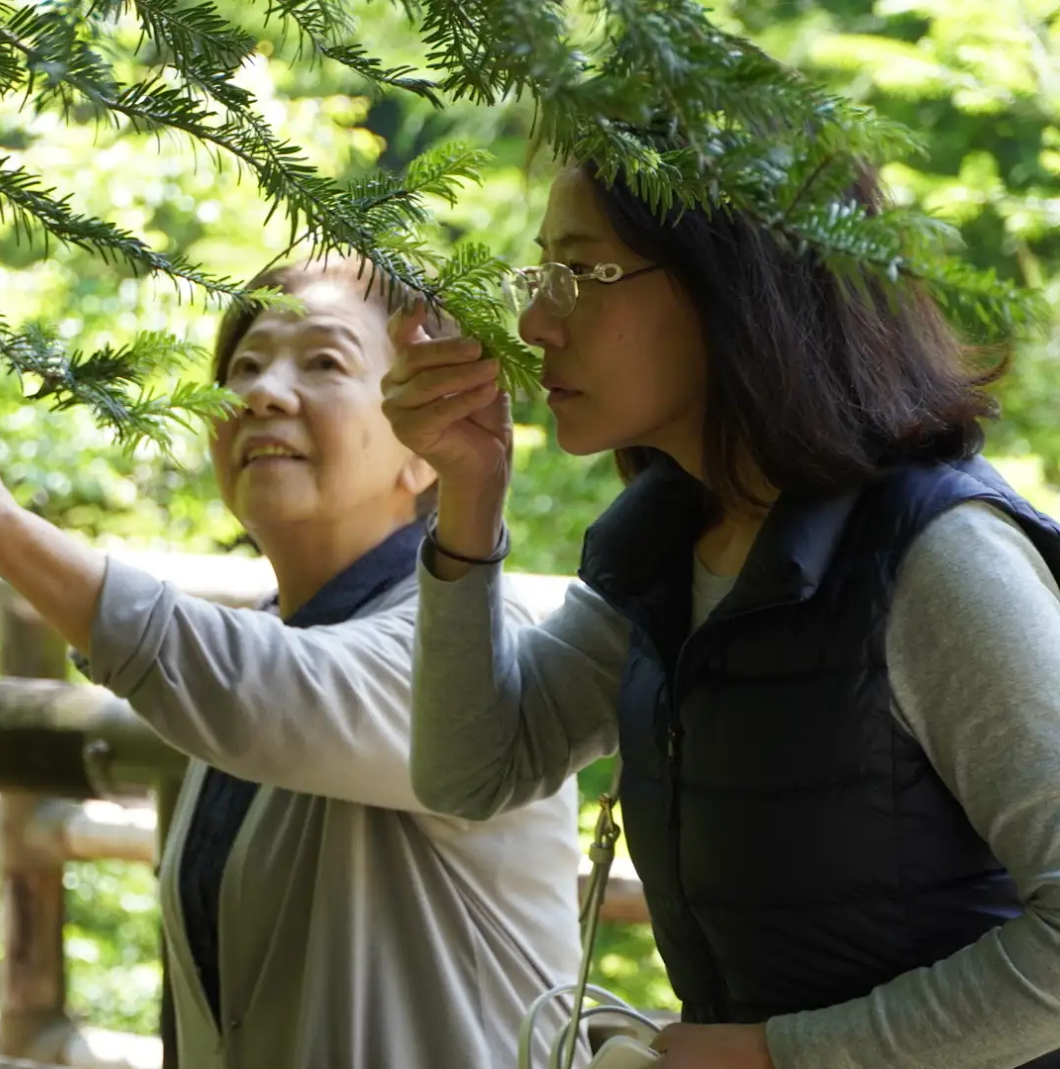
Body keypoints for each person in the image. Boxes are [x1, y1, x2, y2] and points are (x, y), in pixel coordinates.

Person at [382, 153, 1060, 1069]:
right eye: (542, 272)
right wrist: (468, 498)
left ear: (734, 282)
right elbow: (476, 768)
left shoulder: (939, 558)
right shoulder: (670, 544)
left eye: (582, 273)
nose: (536, 322)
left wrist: (783, 1054)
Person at [0, 256, 586, 1069]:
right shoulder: (270, 641)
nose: (264, 392)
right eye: (245, 364)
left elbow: (260, 689)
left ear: (425, 445)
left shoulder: (472, 644)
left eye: (325, 361)